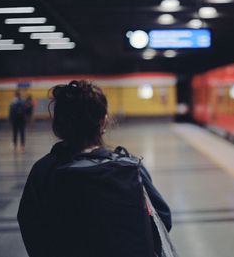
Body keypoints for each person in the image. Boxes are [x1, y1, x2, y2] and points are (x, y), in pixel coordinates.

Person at [17, 80, 172, 257]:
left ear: (58, 124)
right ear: (103, 122)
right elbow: (163, 218)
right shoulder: (130, 166)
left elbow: (30, 225)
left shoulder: (44, 171)